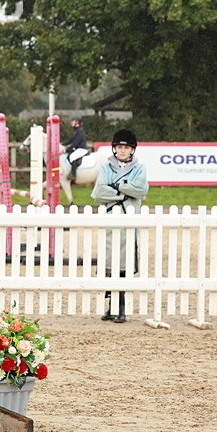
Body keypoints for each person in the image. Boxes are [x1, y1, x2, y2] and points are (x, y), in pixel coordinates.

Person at [91, 128, 149, 323]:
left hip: (128, 221)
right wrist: (124, 192)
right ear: (114, 148)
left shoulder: (139, 168)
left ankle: (121, 307)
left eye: (126, 147)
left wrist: (116, 186)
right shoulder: (106, 166)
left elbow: (140, 189)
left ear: (132, 150)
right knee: (109, 264)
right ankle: (111, 307)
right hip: (110, 220)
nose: (122, 150)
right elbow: (98, 192)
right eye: (119, 147)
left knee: (123, 265)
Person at [66, 115, 88, 182]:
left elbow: (75, 143)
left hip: (82, 149)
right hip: (78, 149)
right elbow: (70, 140)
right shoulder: (76, 131)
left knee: (72, 156)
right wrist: (61, 144)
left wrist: (67, 149)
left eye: (73, 121)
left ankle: (73, 175)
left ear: (77, 122)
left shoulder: (80, 131)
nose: (71, 122)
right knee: (70, 155)